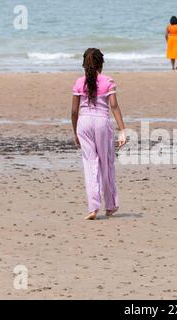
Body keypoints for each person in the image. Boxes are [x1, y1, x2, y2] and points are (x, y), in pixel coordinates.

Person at [71, 48, 127, 220]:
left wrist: (75, 133)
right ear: (101, 64)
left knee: (90, 164)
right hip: (102, 123)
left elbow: (74, 112)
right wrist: (122, 130)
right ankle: (110, 205)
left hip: (83, 123)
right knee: (106, 163)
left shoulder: (79, 83)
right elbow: (114, 106)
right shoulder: (107, 81)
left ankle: (93, 207)